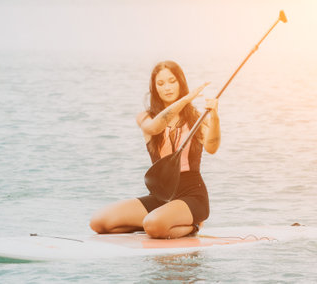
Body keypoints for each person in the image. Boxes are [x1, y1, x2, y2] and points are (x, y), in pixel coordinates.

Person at [90, 60, 221, 239]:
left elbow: (212, 148)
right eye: (160, 83)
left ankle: (193, 225)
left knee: (153, 225)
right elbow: (154, 128)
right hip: (161, 196)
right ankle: (162, 221)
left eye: (172, 81)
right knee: (98, 223)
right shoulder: (146, 117)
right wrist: (186, 99)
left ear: (181, 83)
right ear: (155, 88)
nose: (167, 87)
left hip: (192, 195)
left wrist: (214, 116)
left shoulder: (198, 118)